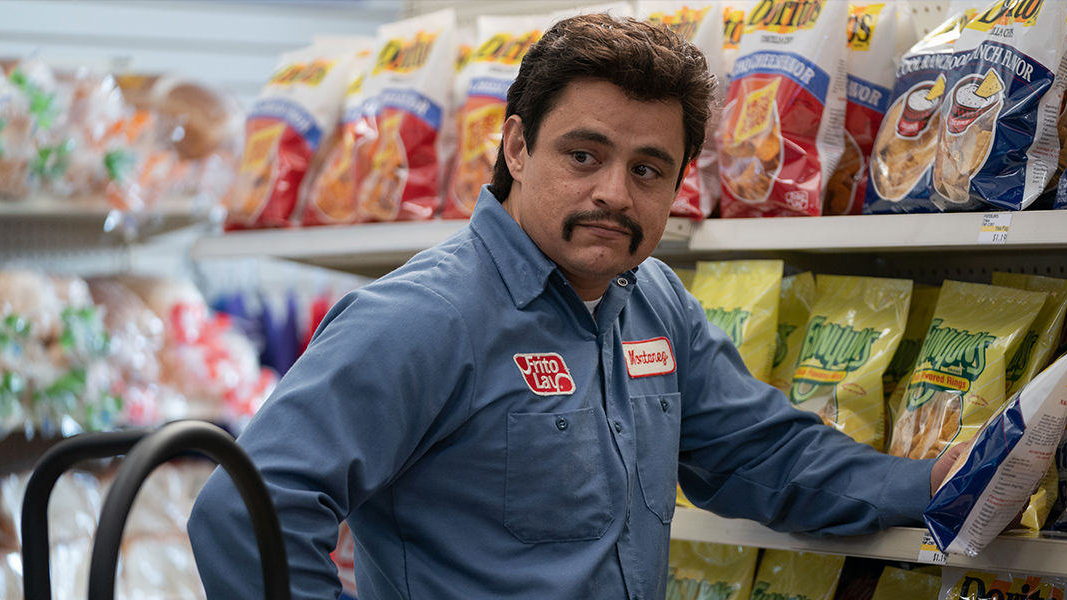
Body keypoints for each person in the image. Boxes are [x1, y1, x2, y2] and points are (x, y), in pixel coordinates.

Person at [188, 13, 958, 600]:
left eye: (648, 169)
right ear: (518, 148)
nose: (614, 194)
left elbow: (760, 454)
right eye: (583, 155)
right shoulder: (424, 318)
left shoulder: (655, 302)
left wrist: (934, 484)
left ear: (680, 181)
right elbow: (245, 512)